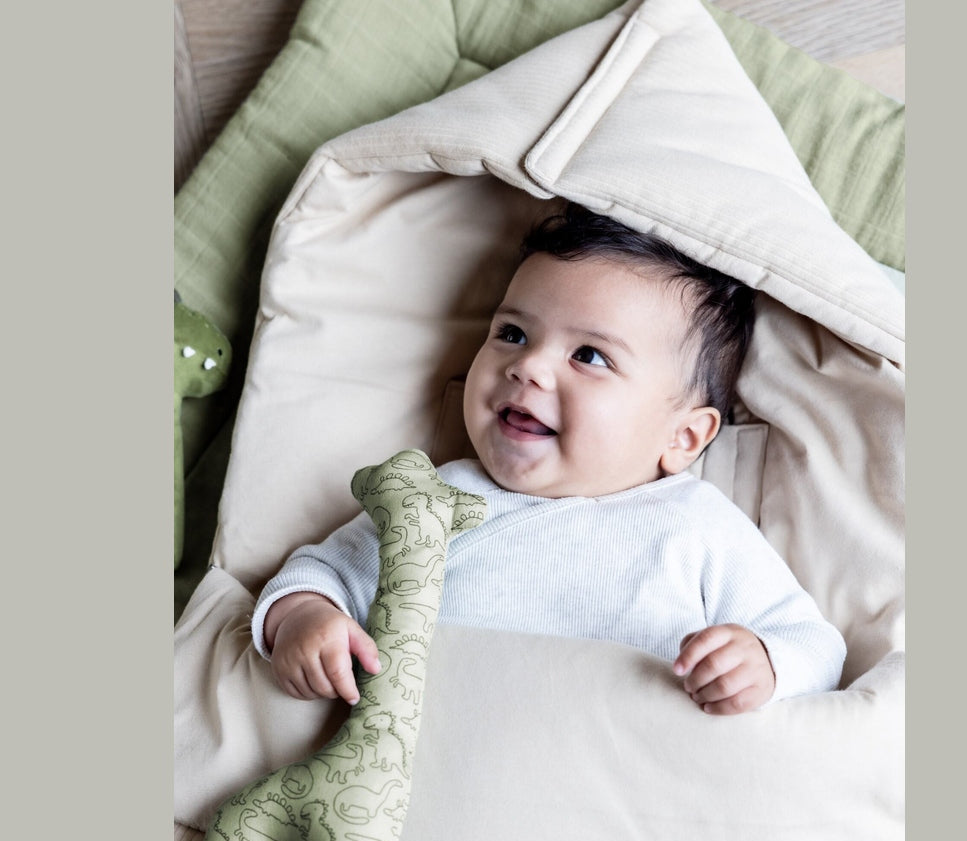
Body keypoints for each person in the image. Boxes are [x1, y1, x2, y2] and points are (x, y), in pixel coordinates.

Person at [250, 204, 845, 715]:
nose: (527, 366)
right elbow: (318, 575)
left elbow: (815, 646)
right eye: (512, 334)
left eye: (590, 355)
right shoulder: (436, 500)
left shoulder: (699, 526)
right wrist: (304, 620)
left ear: (684, 438)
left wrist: (762, 663)